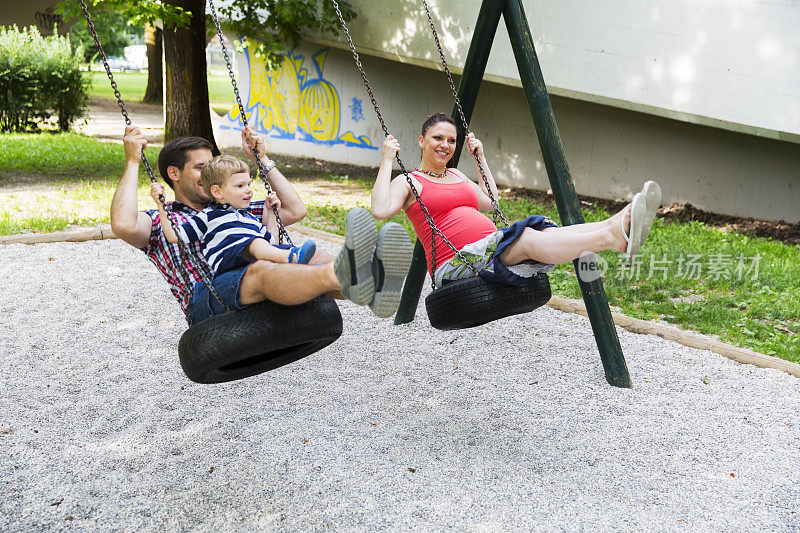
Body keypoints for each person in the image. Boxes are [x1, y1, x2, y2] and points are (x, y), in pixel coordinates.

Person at [111, 124, 413, 323]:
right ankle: (351, 274)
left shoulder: (234, 208)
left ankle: (371, 285)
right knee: (262, 268)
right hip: (208, 302)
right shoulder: (162, 219)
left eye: (213, 167)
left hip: (251, 279)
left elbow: (295, 209)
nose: (209, 175)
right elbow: (123, 225)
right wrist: (133, 161)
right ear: (174, 174)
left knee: (311, 255)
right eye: (201, 169)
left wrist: (262, 160)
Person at [370, 113, 661, 287]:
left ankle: (616, 223)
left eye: (451, 140)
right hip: (456, 262)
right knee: (527, 240)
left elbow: (491, 201)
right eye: (437, 138)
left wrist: (480, 158)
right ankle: (614, 237)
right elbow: (381, 210)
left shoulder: (457, 175)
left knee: (548, 233)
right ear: (422, 141)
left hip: (491, 247)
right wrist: (387, 159)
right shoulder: (410, 182)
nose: (445, 145)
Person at [149, 155, 318, 276]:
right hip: (229, 263)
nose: (249, 190)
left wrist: (271, 213)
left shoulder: (249, 218)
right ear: (217, 191)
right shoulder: (208, 216)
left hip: (252, 257)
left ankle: (311, 269)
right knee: (256, 244)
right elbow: (173, 235)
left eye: (249, 184)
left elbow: (271, 242)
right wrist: (161, 205)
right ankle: (292, 257)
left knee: (270, 247)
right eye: (240, 186)